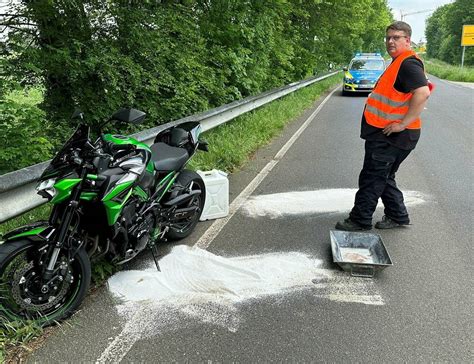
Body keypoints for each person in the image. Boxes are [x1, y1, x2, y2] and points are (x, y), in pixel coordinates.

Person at [336, 21, 431, 231]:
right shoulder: (397, 62)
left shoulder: (408, 64)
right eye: (388, 37)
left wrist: (402, 124)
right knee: (384, 176)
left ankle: (359, 220)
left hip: (392, 136)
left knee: (372, 177)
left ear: (407, 40)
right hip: (389, 134)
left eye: (396, 37)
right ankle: (398, 216)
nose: (390, 41)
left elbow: (423, 92)